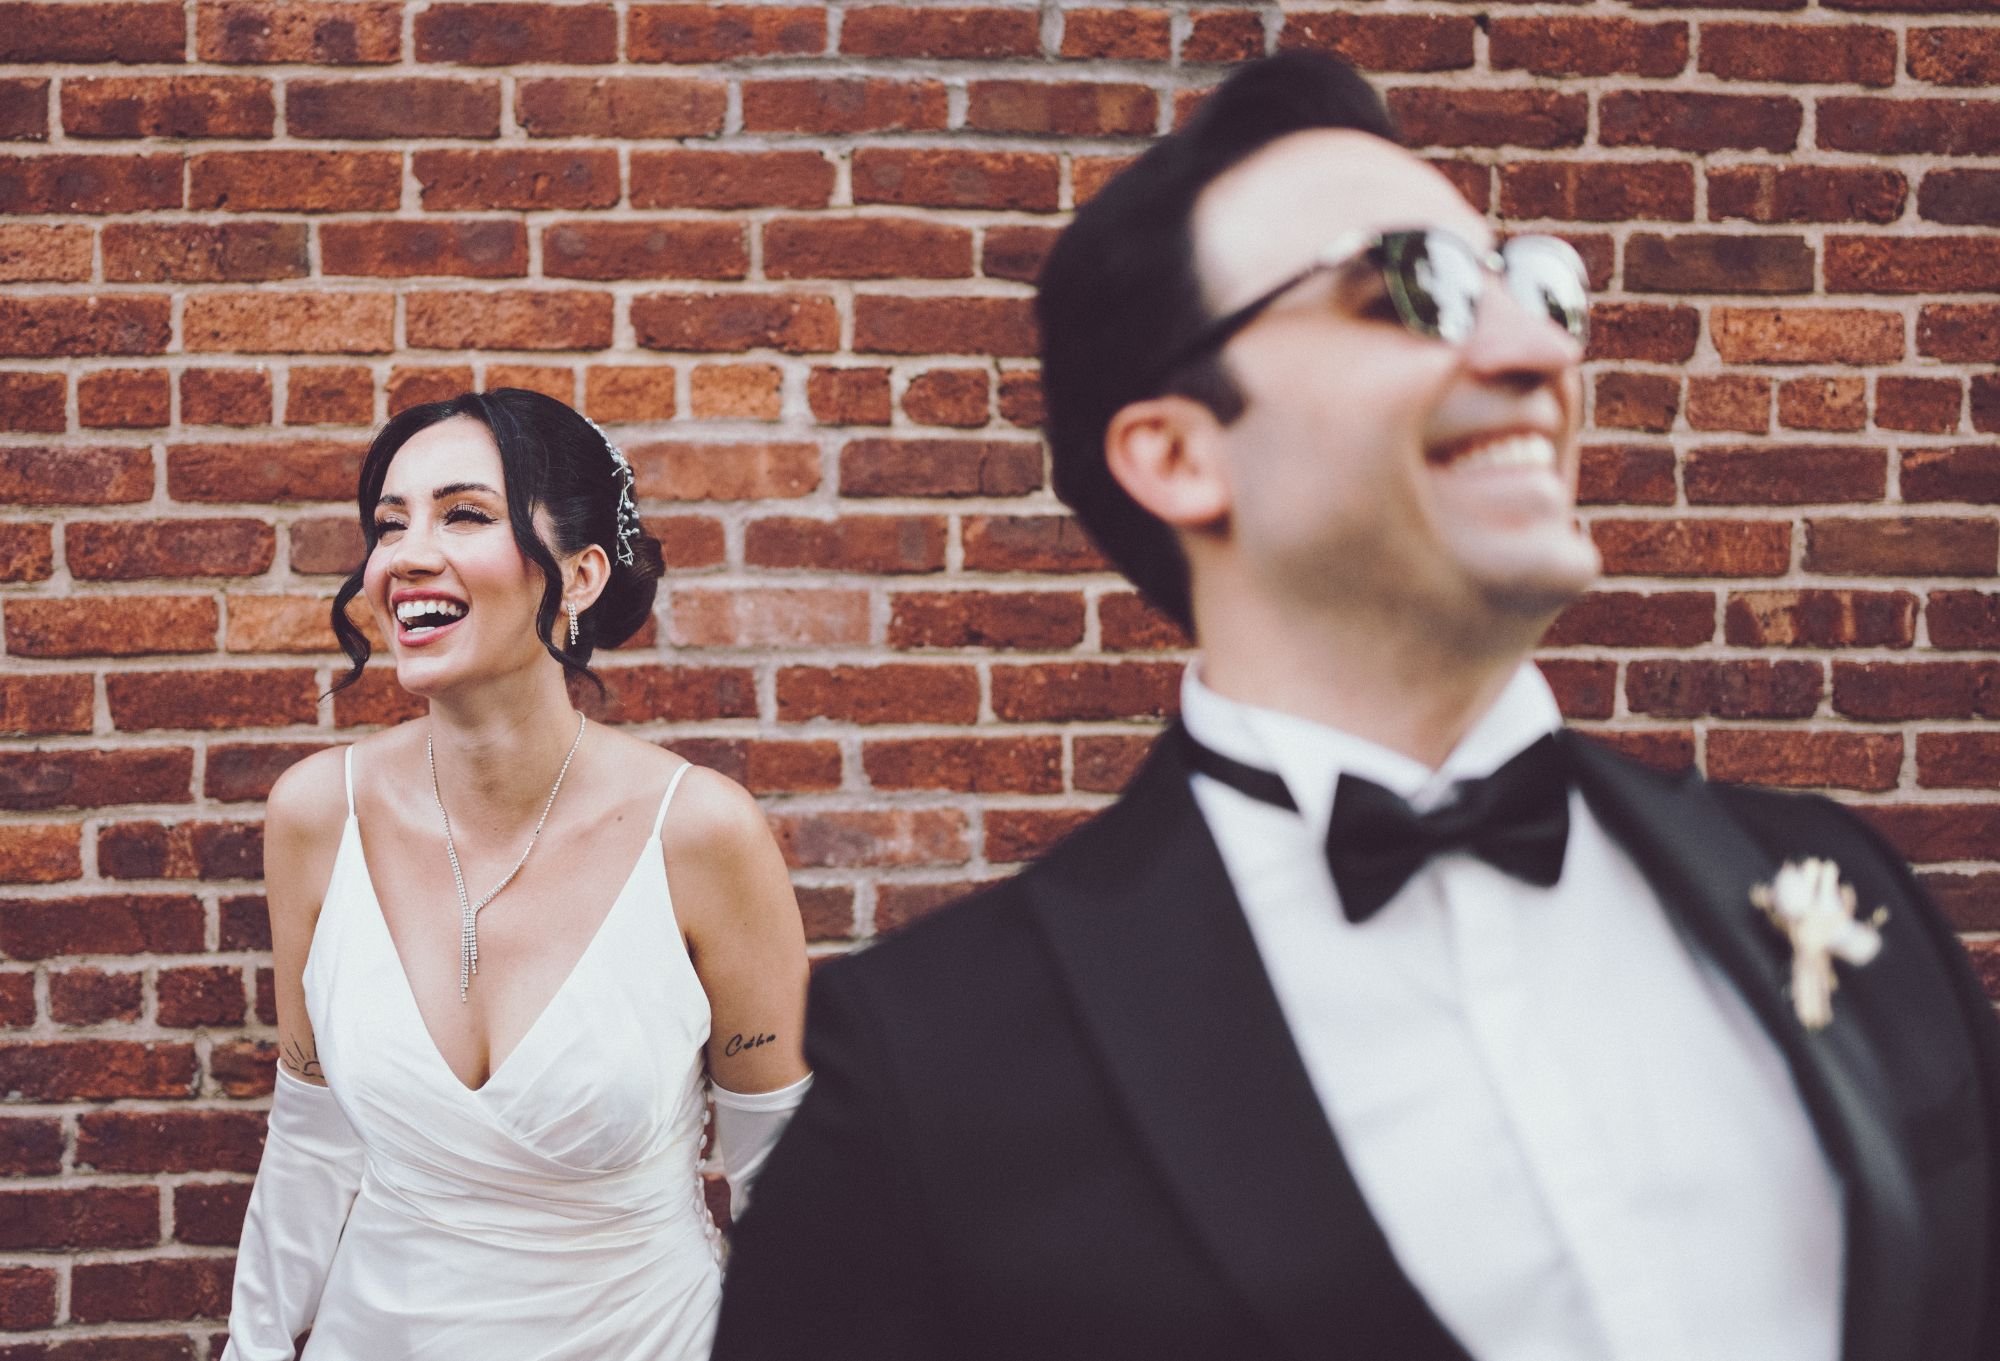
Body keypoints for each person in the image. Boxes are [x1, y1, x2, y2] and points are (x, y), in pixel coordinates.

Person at [712, 51, 2000, 1361]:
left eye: (1534, 284)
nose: (1533, 349)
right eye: (1411, 283)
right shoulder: (934, 1082)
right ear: (1178, 452)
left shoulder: (1834, 881)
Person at [223, 388, 812, 1360]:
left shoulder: (701, 833)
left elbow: (778, 1175)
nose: (405, 555)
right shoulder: (316, 816)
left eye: (463, 513)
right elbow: (311, 1139)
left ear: (579, 575)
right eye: (389, 524)